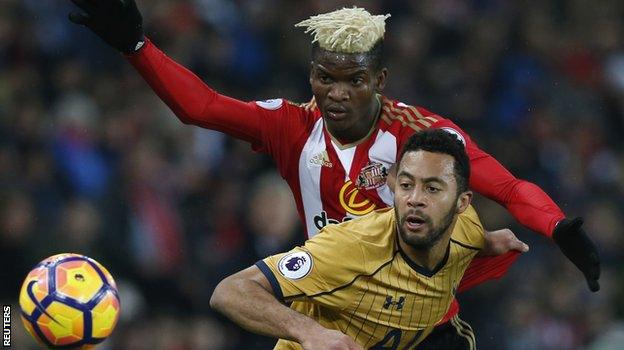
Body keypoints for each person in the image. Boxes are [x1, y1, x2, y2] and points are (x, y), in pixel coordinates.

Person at [67, 2, 601, 347]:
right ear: (312, 77)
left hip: (418, 321)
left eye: (354, 80)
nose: (337, 93)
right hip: (331, 317)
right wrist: (137, 47)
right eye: (326, 78)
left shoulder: (423, 134)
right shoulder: (288, 125)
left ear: (380, 79)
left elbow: (506, 188)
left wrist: (556, 227)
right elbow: (201, 108)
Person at [210, 129, 493, 349]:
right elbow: (230, 291)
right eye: (406, 185)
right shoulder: (352, 247)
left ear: (462, 203)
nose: (415, 199)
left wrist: (491, 243)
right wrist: (310, 332)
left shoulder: (468, 232)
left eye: (432, 188)